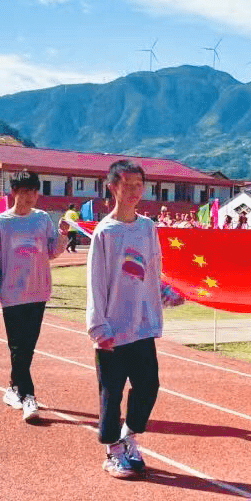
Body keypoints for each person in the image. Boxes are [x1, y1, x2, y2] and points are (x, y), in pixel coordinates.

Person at [87, 160, 184, 479]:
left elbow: (154, 268)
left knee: (148, 386)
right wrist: (99, 327)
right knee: (111, 394)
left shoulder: (147, 227)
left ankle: (128, 436)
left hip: (142, 325)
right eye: (126, 185)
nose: (133, 191)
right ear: (113, 187)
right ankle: (112, 450)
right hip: (113, 330)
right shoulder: (105, 232)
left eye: (138, 185)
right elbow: (96, 282)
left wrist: (164, 293)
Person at [0, 170, 69, 422]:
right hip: (13, 293)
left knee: (26, 349)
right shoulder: (1, 223)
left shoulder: (42, 219)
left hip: (38, 291)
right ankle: (29, 396)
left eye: (34, 190)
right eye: (26, 191)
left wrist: (62, 235)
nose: (31, 196)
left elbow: (51, 252)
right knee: (18, 347)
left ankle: (12, 387)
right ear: (14, 192)